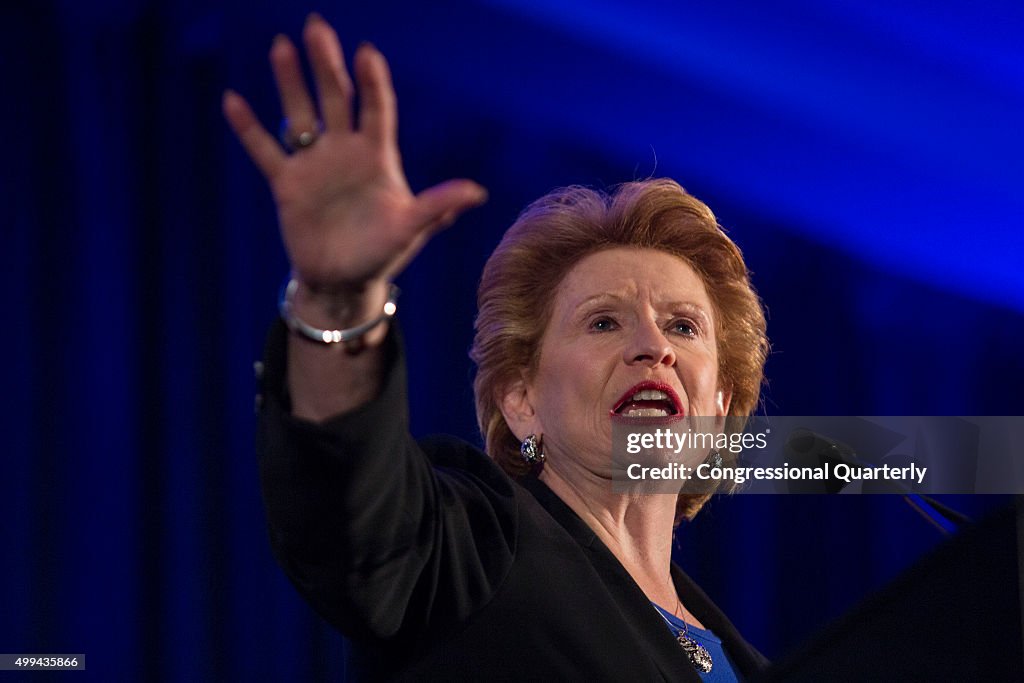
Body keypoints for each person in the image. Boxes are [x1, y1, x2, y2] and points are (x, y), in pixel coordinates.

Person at [224, 13, 769, 681]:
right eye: (604, 322)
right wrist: (339, 301)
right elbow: (347, 510)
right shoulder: (473, 549)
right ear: (521, 401)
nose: (652, 346)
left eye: (683, 325)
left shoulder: (757, 662)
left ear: (719, 405)